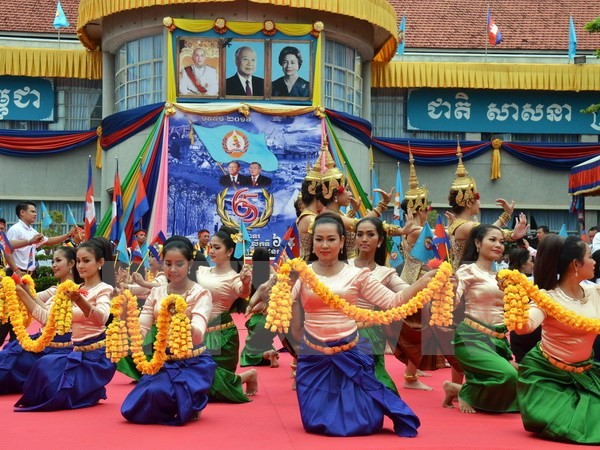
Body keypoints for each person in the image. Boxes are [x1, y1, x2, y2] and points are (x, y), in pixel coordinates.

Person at [291, 212, 420, 437]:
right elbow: (283, 302)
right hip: (313, 355)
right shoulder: (302, 274)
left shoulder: (357, 275)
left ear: (342, 242)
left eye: (331, 239)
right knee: (314, 422)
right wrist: (266, 289)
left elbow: (393, 301)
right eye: (319, 239)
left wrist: (423, 284)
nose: (324, 245)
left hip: (349, 350)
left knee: (365, 421)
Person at [511, 234, 600, 444]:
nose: (595, 261)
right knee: (571, 424)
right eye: (590, 256)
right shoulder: (547, 297)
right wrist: (512, 299)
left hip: (586, 373)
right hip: (547, 376)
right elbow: (524, 327)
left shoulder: (595, 292)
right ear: (576, 264)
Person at [120, 236, 217, 425]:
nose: (173, 270)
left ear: (189, 264)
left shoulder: (200, 293)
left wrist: (183, 317)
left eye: (179, 264)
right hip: (163, 362)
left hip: (192, 361)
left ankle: (194, 400)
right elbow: (141, 329)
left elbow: (197, 335)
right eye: (168, 264)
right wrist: (124, 318)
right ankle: (186, 401)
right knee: (132, 407)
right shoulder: (157, 292)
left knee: (159, 393)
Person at [15, 237, 116, 411]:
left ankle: (91, 389)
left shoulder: (104, 289)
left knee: (53, 388)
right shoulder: (73, 289)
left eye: (86, 261)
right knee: (42, 367)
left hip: (96, 358)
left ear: (100, 262)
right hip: (75, 351)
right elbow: (48, 318)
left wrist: (81, 301)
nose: (80, 266)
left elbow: (102, 318)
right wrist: (20, 292)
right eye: (78, 261)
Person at [349, 216, 437, 394]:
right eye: (360, 234)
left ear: (380, 241)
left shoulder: (385, 273)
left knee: (373, 379)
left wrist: (430, 283)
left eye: (370, 234)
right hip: (338, 330)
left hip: (368, 333)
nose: (364, 239)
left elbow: (404, 293)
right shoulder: (342, 266)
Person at [442, 224, 519, 414]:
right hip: (471, 338)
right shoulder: (468, 271)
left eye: (501, 241)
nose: (498, 245)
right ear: (477, 243)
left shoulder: (503, 275)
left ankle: (456, 388)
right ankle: (466, 392)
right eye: (492, 240)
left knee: (528, 381)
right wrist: (450, 289)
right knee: (509, 376)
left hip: (499, 341)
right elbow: (451, 304)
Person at [0, 247, 79, 394]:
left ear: (71, 264)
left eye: (58, 260)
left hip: (56, 349)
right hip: (43, 343)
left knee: (6, 358)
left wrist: (22, 293)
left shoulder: (76, 293)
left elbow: (47, 318)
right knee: (6, 353)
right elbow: (37, 300)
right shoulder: (55, 290)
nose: (54, 264)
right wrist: (21, 288)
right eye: (53, 261)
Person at [196, 226, 257, 401]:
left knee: (209, 389)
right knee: (194, 383)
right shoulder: (201, 271)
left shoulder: (234, 278)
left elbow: (243, 293)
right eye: (211, 247)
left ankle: (247, 376)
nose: (212, 251)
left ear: (230, 251)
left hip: (222, 336)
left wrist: (246, 283)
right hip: (198, 331)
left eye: (217, 248)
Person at [6, 201, 78, 276]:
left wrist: (68, 234)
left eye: (35, 212)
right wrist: (16, 270)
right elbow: (7, 249)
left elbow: (49, 241)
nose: (35, 214)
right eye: (32, 212)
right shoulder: (15, 229)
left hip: (30, 272)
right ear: (22, 212)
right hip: (16, 271)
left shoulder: (32, 231)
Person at [240, 247, 279, 367]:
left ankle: (266, 354)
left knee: (247, 353)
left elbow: (252, 305)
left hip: (259, 319)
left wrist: (250, 309)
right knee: (264, 341)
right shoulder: (274, 276)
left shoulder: (250, 275)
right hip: (274, 320)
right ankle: (269, 353)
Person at [507, 247, 541, 363]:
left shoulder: (505, 280)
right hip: (529, 332)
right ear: (522, 264)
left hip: (516, 332)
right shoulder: (528, 284)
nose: (533, 264)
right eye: (531, 261)